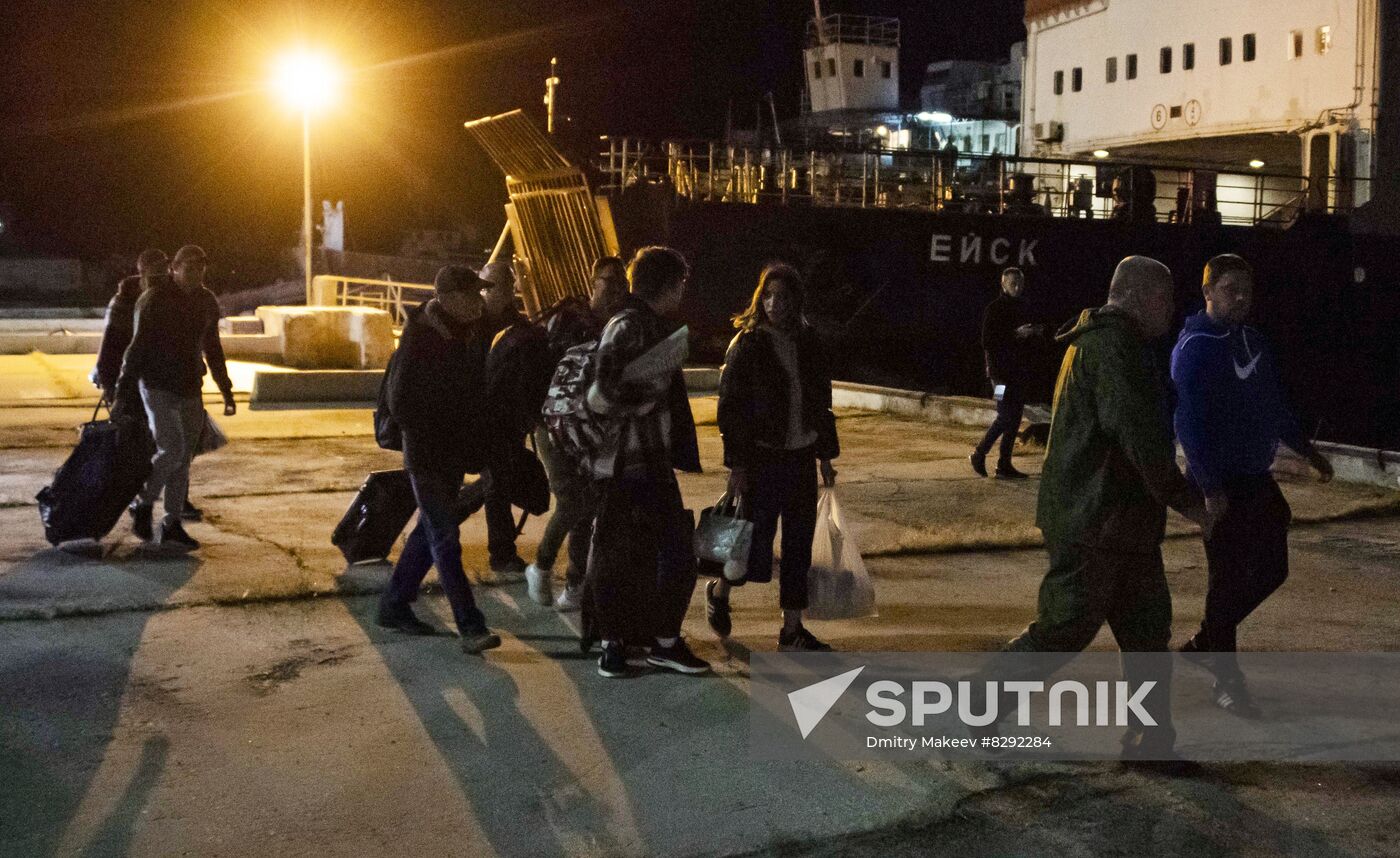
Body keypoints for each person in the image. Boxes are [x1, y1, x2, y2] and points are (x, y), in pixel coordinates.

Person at [980, 256, 1214, 769]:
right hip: (1097, 520)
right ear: (1145, 298)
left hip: (1118, 520)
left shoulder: (1107, 344)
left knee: (1147, 633)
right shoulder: (1115, 351)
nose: (1172, 312)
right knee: (1063, 628)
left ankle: (1150, 744)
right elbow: (1142, 442)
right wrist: (1191, 503)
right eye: (1168, 300)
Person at [1170, 253, 1333, 716]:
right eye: (1229, 289)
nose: (1241, 297)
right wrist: (1209, 488)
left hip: (1253, 478)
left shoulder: (1253, 340)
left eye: (1246, 289)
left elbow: (1273, 406)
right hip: (1215, 482)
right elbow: (1188, 421)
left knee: (1272, 569)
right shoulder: (1195, 346)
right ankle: (1227, 681)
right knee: (1225, 580)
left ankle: (1208, 637)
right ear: (1207, 292)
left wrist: (1309, 451)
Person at [586, 246, 708, 678]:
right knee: (665, 552)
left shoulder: (641, 323)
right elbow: (600, 395)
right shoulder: (629, 325)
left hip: (641, 460)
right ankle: (647, 644)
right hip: (628, 461)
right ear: (670, 285)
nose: (683, 292)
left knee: (631, 554)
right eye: (681, 284)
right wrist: (653, 389)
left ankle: (627, 643)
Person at [711, 263, 840, 651]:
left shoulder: (808, 341)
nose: (774, 303)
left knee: (799, 545)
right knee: (752, 547)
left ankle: (792, 630)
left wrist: (825, 456)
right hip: (763, 460)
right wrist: (737, 464)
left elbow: (821, 401)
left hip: (800, 458)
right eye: (768, 295)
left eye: (782, 296)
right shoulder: (748, 344)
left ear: (795, 299)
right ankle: (718, 592)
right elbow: (731, 409)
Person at [377, 265, 502, 654]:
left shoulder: (466, 335)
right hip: (428, 456)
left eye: (480, 293)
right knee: (445, 537)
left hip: (452, 454)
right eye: (470, 294)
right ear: (446, 298)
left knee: (428, 533)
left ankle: (393, 605)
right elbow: (400, 405)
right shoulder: (419, 340)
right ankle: (470, 625)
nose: (479, 301)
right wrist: (443, 424)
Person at [112, 245, 235, 550]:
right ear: (174, 268)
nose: (195, 274)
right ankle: (141, 503)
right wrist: (122, 393)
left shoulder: (206, 301)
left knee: (183, 461)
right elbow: (136, 348)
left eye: (200, 268)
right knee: (171, 449)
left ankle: (171, 523)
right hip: (156, 385)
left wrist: (226, 389)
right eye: (188, 268)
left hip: (190, 387)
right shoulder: (154, 299)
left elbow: (213, 347)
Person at [525, 255, 630, 610]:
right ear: (592, 283)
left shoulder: (623, 324)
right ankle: (540, 566)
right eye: (607, 281)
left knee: (587, 509)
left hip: (594, 428)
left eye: (621, 283)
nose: (615, 289)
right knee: (572, 501)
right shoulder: (569, 320)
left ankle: (575, 585)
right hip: (553, 425)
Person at [93, 249, 209, 523]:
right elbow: (113, 345)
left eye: (163, 268)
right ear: (142, 272)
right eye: (153, 271)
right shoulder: (128, 301)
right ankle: (139, 502)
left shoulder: (180, 297)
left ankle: (173, 505)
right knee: (157, 448)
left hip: (172, 383)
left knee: (177, 450)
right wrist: (112, 385)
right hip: (139, 383)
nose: (159, 275)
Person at [475, 260, 535, 584]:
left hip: (508, 417)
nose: (489, 293)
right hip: (480, 416)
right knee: (494, 481)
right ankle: (502, 553)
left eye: (496, 286)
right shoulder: (474, 322)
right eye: (485, 286)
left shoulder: (516, 325)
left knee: (497, 480)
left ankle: (502, 552)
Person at [971, 267, 1043, 479]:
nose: (1017, 288)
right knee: (1005, 415)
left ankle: (1004, 464)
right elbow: (987, 341)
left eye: (1020, 284)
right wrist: (1015, 335)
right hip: (998, 376)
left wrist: (1033, 333)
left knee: (1015, 417)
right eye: (1013, 284)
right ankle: (979, 453)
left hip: (1018, 374)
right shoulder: (994, 309)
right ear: (1003, 284)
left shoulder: (1023, 307)